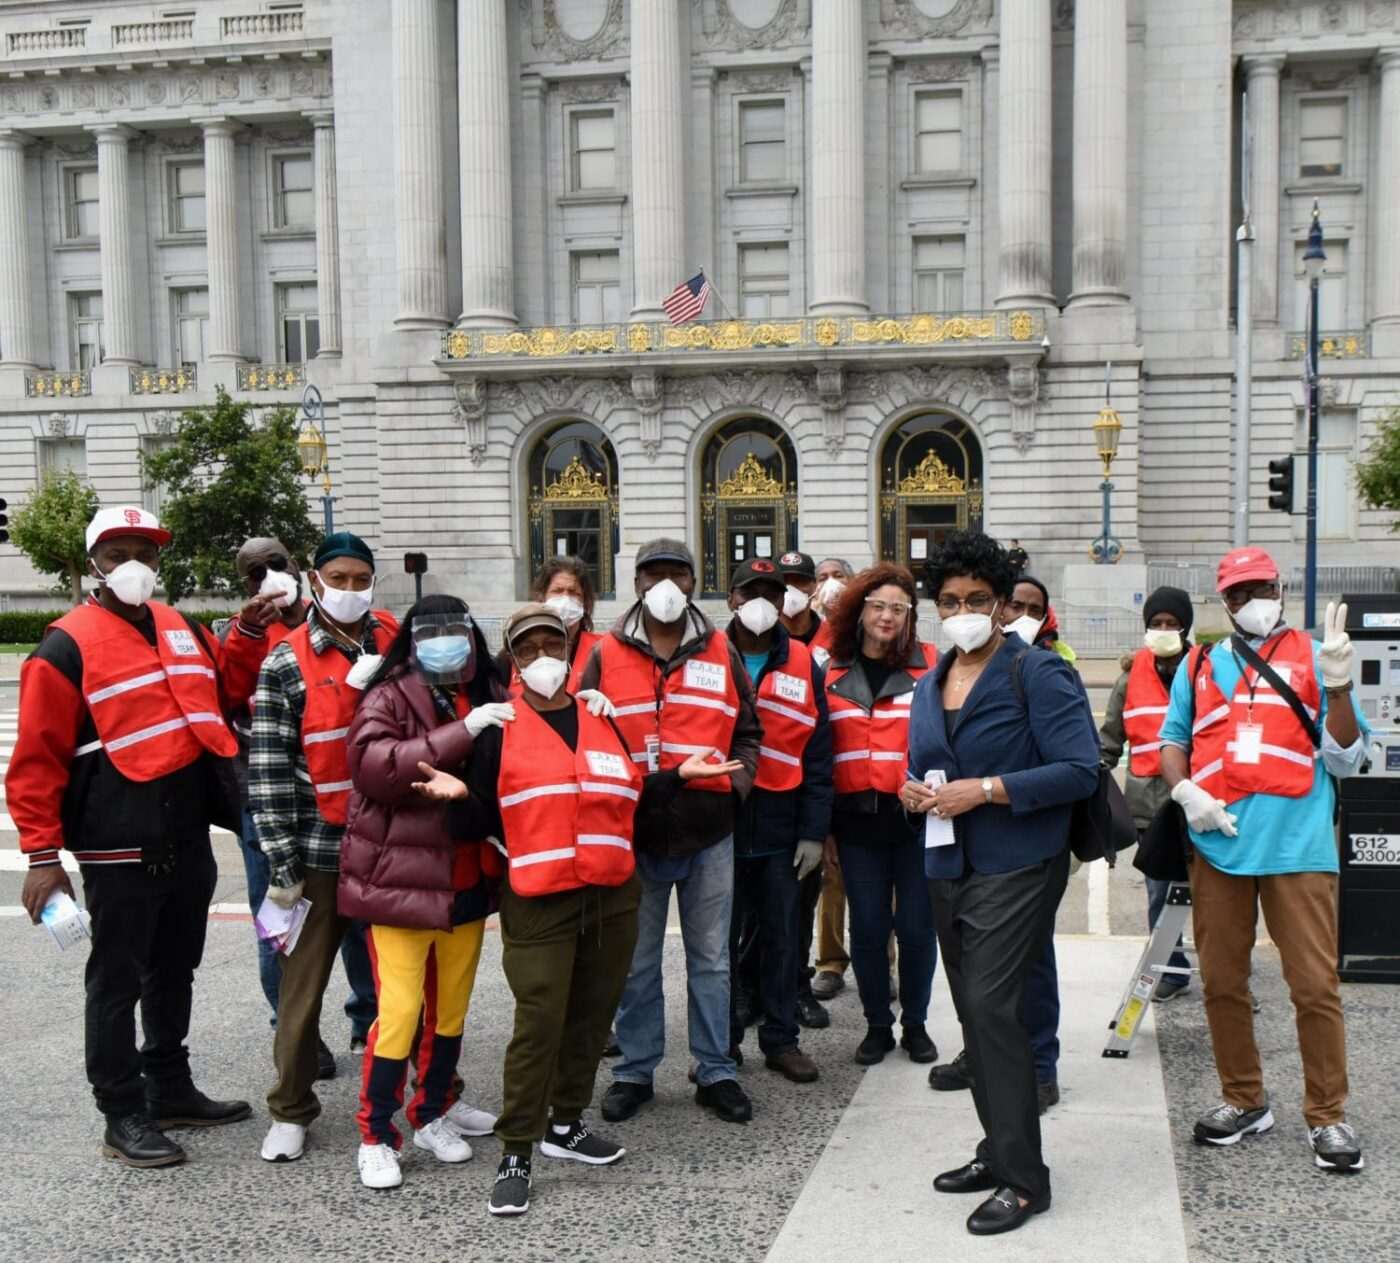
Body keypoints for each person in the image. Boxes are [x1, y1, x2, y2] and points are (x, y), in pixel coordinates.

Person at [8, 506, 250, 1168]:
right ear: (94, 564)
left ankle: (169, 1085)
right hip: (116, 840)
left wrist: (250, 634)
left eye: (144, 550)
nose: (133, 563)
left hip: (186, 831)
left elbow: (226, 694)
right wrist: (40, 858)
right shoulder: (63, 646)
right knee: (116, 979)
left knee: (176, 966)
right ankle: (121, 1111)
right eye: (118, 553)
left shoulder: (182, 628)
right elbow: (34, 762)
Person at [416, 603, 649, 1217]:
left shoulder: (601, 715)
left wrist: (679, 777)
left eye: (553, 642)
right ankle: (517, 1147)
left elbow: (629, 798)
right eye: (529, 647)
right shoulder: (495, 725)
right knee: (539, 1023)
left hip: (611, 895)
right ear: (512, 659)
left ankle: (565, 1125)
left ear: (571, 649)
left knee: (592, 1019)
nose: (543, 655)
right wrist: (459, 795)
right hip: (539, 899)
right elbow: (480, 818)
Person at [906, 530, 1098, 1237]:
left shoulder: (1037, 671)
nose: (963, 610)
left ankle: (1025, 1179)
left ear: (1000, 602)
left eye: (977, 599)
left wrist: (982, 789)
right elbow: (931, 761)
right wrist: (917, 792)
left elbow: (1078, 769)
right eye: (950, 599)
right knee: (975, 1017)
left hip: (1020, 860)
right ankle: (997, 1147)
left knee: (993, 1009)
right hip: (947, 862)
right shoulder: (932, 678)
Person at [1158, 548, 1367, 1171]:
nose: (1254, 600)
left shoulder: (1314, 654)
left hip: (1299, 849)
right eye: (1240, 592)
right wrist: (1184, 790)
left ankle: (1328, 1115)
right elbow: (1173, 741)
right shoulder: (1200, 662)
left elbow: (1346, 757)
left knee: (1314, 985)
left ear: (1280, 587)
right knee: (1222, 983)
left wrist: (1339, 686)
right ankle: (1244, 1099)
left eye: (1263, 587)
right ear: (1225, 602)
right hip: (1219, 845)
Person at [581, 538, 762, 1126]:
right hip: (636, 829)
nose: (665, 585)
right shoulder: (606, 653)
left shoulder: (721, 649)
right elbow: (583, 735)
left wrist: (737, 785)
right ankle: (635, 1069)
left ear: (694, 581)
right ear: (635, 583)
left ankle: (716, 1069)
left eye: (677, 574)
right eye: (653, 574)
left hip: (710, 828)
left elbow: (750, 731)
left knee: (711, 958)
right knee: (636, 960)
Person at [338, 595, 507, 1189]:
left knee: (451, 1009)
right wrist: (464, 732)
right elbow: (376, 768)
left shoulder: (488, 687)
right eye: (431, 630)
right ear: (411, 636)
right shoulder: (388, 694)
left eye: (455, 629)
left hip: (466, 875)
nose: (445, 640)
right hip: (401, 882)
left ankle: (432, 1110)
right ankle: (376, 1134)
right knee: (400, 1011)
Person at [251, 531, 400, 1164]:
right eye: (336, 578)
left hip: (390, 848)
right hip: (316, 850)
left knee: (404, 983)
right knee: (301, 989)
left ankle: (428, 1098)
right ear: (314, 580)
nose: (348, 590)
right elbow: (269, 772)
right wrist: (281, 865)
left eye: (358, 580)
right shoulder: (285, 661)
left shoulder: (395, 647)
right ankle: (290, 1108)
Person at [216, 536, 375, 1080]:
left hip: (351, 806)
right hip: (270, 800)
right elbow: (228, 695)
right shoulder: (241, 634)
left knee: (360, 926)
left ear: (301, 571)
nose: (268, 577)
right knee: (280, 923)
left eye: (275, 565)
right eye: (254, 571)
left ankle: (369, 1017)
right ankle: (295, 1031)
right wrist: (248, 631)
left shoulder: (344, 618)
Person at [821, 564, 939, 1066]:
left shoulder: (931, 664)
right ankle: (876, 1024)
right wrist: (820, 826)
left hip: (914, 821)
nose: (887, 616)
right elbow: (815, 751)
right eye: (877, 606)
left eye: (898, 608)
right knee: (868, 928)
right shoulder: (827, 667)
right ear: (858, 609)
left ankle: (916, 1023)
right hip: (855, 822)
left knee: (916, 928)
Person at [724, 559, 833, 1082]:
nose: (766, 602)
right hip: (719, 821)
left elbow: (817, 752)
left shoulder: (802, 664)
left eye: (776, 591)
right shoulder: (707, 657)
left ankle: (780, 1039)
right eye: (754, 592)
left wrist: (814, 831)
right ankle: (721, 1044)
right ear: (732, 599)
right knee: (717, 943)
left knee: (783, 935)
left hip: (780, 822)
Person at [1099, 585, 1196, 1001]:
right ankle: (1171, 970)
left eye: (1172, 624)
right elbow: (1109, 741)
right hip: (1148, 807)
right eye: (1156, 623)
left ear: (1185, 628)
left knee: (1214, 895)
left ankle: (1233, 974)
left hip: (1200, 801)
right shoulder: (1129, 678)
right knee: (1159, 892)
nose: (1163, 630)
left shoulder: (1206, 670)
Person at [807, 557, 857, 1003]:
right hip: (827, 772)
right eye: (821, 579)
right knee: (831, 875)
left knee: (883, 884)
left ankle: (884, 960)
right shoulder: (805, 639)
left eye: (838, 577)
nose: (829, 585)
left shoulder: (862, 633)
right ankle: (829, 961)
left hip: (865, 769)